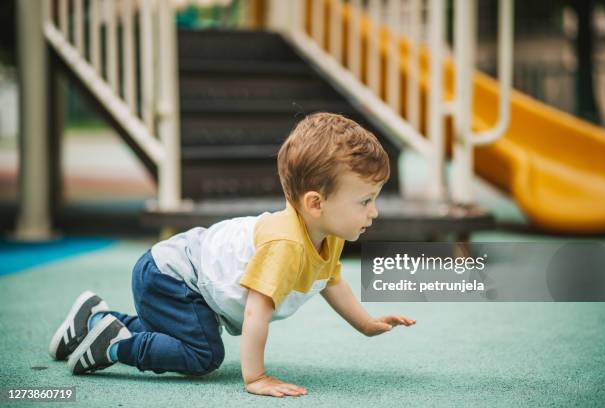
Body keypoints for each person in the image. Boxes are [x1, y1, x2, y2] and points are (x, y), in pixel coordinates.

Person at [48, 112, 417, 398]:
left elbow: (330, 280)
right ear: (316, 203)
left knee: (185, 332)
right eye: (365, 201)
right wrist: (255, 376)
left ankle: (95, 319)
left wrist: (366, 324)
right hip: (171, 277)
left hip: (179, 275)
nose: (375, 212)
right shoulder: (285, 246)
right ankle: (115, 346)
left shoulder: (327, 234)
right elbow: (257, 310)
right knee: (202, 354)